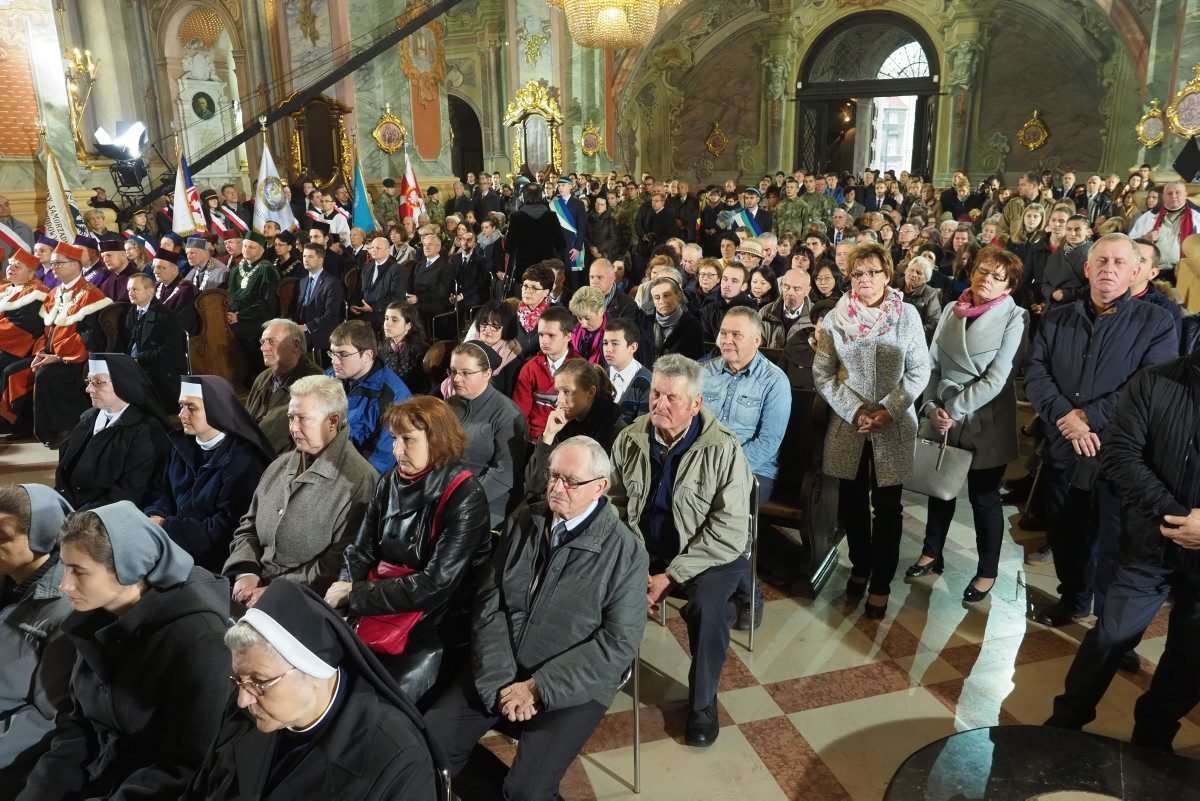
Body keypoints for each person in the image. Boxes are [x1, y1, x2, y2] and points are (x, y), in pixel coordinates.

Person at [425, 436, 646, 799]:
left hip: (572, 684)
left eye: (570, 481)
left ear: (600, 487)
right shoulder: (524, 520)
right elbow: (490, 599)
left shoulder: (626, 552)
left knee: (527, 790)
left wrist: (537, 688)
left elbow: (618, 644)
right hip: (502, 665)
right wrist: (500, 676)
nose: (556, 488)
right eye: (553, 476)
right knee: (432, 739)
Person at [16, 501, 230, 801]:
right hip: (98, 776)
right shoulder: (94, 619)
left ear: (129, 569)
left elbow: (186, 766)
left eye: (78, 571)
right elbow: (78, 727)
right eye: (65, 567)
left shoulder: (201, 641)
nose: (64, 585)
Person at [1045, 349, 1200, 751]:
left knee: (1190, 656)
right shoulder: (1155, 381)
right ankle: (1065, 722)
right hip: (1151, 540)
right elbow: (1120, 454)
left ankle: (1154, 733)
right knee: (1110, 636)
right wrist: (1177, 516)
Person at [1024, 233, 1179, 627]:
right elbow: (1037, 374)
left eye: (1119, 262)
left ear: (1136, 271)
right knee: (1065, 532)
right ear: (1087, 269)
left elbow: (1149, 385)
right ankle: (1074, 598)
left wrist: (1088, 418)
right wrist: (1067, 419)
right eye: (1102, 261)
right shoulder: (1057, 318)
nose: (1109, 269)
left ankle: (1110, 627)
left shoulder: (1157, 322)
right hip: (1064, 445)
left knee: (1115, 542)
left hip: (1118, 453)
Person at [608, 354, 753, 747]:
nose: (660, 404)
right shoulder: (631, 438)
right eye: (656, 393)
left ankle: (703, 703)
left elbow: (730, 531)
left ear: (695, 404)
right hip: (646, 547)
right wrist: (635, 563)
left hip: (707, 552)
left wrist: (671, 576)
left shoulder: (723, 448)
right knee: (594, 577)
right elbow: (613, 503)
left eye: (672, 397)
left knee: (708, 609)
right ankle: (597, 672)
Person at [184, 580, 438, 800]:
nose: (242, 700)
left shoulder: (398, 761)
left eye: (259, 681)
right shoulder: (248, 700)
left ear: (313, 672)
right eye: (239, 679)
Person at [324, 397, 491, 706]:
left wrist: (355, 594)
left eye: (408, 440)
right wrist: (344, 591)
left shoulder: (465, 495)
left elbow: (436, 584)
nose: (397, 451)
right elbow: (360, 550)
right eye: (394, 439)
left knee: (373, 702)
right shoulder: (390, 481)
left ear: (437, 440)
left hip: (434, 621)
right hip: (379, 602)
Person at [813, 243, 931, 619]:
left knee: (887, 507)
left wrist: (888, 410)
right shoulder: (837, 317)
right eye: (858, 273)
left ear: (887, 274)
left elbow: (920, 369)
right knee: (852, 502)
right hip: (849, 423)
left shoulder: (907, 315)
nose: (865, 279)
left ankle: (881, 583)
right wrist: (854, 410)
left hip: (893, 424)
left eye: (873, 272)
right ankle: (860, 565)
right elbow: (823, 373)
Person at [905, 249, 1029, 602]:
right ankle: (931, 553)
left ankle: (987, 571)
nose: (986, 279)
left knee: (983, 498)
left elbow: (998, 379)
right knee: (939, 487)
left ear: (1009, 286)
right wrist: (931, 406)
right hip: (942, 412)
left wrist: (953, 408)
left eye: (997, 276)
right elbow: (931, 364)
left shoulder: (1015, 317)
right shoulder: (951, 308)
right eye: (982, 270)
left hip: (985, 419)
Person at [225, 376, 378, 605]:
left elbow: (337, 564)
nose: (293, 428)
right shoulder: (279, 465)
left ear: (333, 422)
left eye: (303, 419)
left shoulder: (359, 482)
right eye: (291, 418)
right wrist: (245, 570)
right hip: (254, 590)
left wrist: (276, 590)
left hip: (305, 601)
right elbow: (249, 527)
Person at [701, 307, 791, 628]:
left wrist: (726, 471)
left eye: (736, 334)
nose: (727, 340)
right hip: (704, 466)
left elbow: (768, 442)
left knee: (728, 511)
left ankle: (749, 594)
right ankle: (701, 585)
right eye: (723, 333)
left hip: (754, 470)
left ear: (757, 340)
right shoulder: (704, 372)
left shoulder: (774, 381)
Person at [145, 375, 275, 573]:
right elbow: (162, 492)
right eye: (181, 406)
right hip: (168, 545)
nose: (182, 414)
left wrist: (166, 526)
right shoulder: (179, 446)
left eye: (192, 407)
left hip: (212, 562)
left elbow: (228, 528)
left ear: (216, 409)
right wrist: (155, 515)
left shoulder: (244, 459)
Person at [0, 485, 75, 793]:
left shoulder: (65, 607)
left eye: (2, 536)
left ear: (40, 537)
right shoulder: (8, 580)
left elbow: (47, 716)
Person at [0, 241, 112, 443]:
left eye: (58, 263)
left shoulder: (91, 294)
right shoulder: (55, 293)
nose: (53, 268)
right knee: (21, 369)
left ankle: (64, 428)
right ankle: (24, 425)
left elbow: (90, 336)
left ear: (75, 265)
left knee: (45, 374)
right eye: (52, 264)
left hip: (76, 358)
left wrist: (59, 357)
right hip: (50, 354)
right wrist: (41, 353)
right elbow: (45, 332)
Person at [56, 353, 171, 512]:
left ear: (123, 383)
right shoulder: (88, 418)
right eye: (89, 381)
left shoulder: (145, 430)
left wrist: (77, 517)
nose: (88, 389)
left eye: (98, 382)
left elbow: (129, 494)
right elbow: (64, 473)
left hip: (106, 518)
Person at [445, 341, 527, 528]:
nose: (456, 379)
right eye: (453, 371)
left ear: (487, 374)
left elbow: (504, 474)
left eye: (466, 373)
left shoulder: (507, 414)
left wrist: (461, 498)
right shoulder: (450, 405)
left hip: (488, 503)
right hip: (447, 493)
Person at [525, 358, 621, 499]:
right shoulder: (563, 424)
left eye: (567, 392)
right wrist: (548, 435)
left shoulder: (615, 430)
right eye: (558, 392)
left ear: (590, 392)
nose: (559, 400)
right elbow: (534, 484)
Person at [326, 320, 412, 473]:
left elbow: (380, 461)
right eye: (332, 353)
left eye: (343, 354)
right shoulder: (329, 377)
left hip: (357, 476)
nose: (334, 361)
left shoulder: (395, 396)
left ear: (367, 355)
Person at [245, 319, 323, 454]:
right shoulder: (262, 378)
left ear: (296, 345)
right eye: (262, 342)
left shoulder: (315, 384)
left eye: (271, 341)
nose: (263, 348)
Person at [121, 272, 187, 407]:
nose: (130, 293)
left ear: (150, 291)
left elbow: (171, 351)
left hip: (160, 375)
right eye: (129, 290)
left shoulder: (166, 316)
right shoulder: (131, 312)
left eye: (135, 289)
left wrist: (139, 358)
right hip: (136, 368)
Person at [513, 305, 578, 440]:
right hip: (535, 440)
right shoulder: (530, 369)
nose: (544, 341)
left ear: (568, 336)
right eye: (541, 335)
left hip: (569, 440)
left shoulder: (580, 369)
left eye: (551, 335)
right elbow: (520, 414)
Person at [226, 232, 280, 373]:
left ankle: (251, 377)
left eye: (251, 247)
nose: (246, 250)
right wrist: (229, 313)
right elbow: (229, 295)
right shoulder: (236, 269)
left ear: (261, 250)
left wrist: (240, 316)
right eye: (245, 246)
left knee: (242, 336)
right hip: (233, 317)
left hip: (257, 319)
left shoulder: (266, 269)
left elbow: (267, 303)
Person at [505, 184, 566, 295]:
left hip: (524, 268)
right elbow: (561, 243)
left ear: (523, 197)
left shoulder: (516, 217)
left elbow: (509, 246)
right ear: (541, 196)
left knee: (526, 298)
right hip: (546, 268)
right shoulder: (551, 216)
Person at [0, 250, 48, 376]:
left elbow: (21, 326)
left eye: (17, 266)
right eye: (10, 264)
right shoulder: (6, 288)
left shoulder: (36, 293)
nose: (11, 268)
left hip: (17, 347)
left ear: (31, 273)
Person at [295, 242, 345, 359]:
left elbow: (331, 315)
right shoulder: (302, 281)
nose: (306, 260)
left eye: (310, 256)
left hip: (321, 330)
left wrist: (307, 327)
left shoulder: (332, 283)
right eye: (304, 256)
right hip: (301, 328)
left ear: (321, 259)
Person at [603, 317, 651, 425]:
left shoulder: (647, 382)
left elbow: (641, 429)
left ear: (633, 347)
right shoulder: (600, 376)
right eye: (605, 343)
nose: (608, 349)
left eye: (615, 344)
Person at [645, 276, 704, 360]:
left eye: (666, 295)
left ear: (678, 296)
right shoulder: (645, 322)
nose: (662, 301)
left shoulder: (693, 325)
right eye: (657, 298)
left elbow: (695, 360)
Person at [380, 301, 430, 395]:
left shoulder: (422, 351)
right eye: (386, 318)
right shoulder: (380, 348)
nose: (387, 324)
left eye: (394, 320)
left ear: (408, 325)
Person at [513, 263, 555, 356]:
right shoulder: (512, 310)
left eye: (534, 288)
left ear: (546, 292)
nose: (527, 291)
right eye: (525, 286)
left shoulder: (555, 315)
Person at [901, 255, 942, 343]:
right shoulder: (894, 285)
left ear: (926, 279)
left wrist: (911, 334)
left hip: (914, 339)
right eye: (911, 270)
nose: (913, 274)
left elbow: (934, 324)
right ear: (906, 270)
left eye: (919, 273)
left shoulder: (931, 294)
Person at [567, 285, 608, 366]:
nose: (583, 325)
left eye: (587, 318)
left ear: (601, 311)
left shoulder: (615, 333)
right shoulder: (572, 326)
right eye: (579, 318)